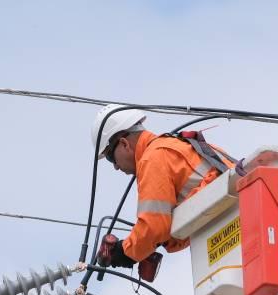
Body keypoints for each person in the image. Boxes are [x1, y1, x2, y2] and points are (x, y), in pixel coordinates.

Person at [92, 105, 237, 268]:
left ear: (124, 144)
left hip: (233, 231)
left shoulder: (152, 158)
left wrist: (125, 252)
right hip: (240, 223)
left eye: (111, 158)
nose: (116, 167)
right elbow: (180, 221)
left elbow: (154, 225)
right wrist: (158, 241)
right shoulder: (176, 145)